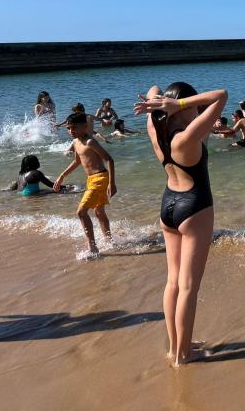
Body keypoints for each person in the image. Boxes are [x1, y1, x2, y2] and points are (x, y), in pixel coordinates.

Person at [133, 82, 227, 366]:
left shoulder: (155, 129)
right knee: (188, 288)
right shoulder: (187, 136)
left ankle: (175, 346)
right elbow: (221, 96)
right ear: (184, 106)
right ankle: (183, 355)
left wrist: (160, 103)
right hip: (194, 207)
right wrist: (179, 105)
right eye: (193, 104)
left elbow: (152, 87)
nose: (199, 107)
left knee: (172, 282)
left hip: (168, 207)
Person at [53, 113, 117, 257]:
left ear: (85, 126)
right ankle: (109, 240)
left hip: (101, 177)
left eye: (74, 128)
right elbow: (77, 161)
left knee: (81, 212)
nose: (71, 131)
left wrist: (112, 183)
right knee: (99, 211)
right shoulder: (76, 142)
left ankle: (92, 247)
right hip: (91, 179)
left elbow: (109, 159)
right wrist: (62, 176)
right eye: (68, 128)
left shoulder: (90, 142)